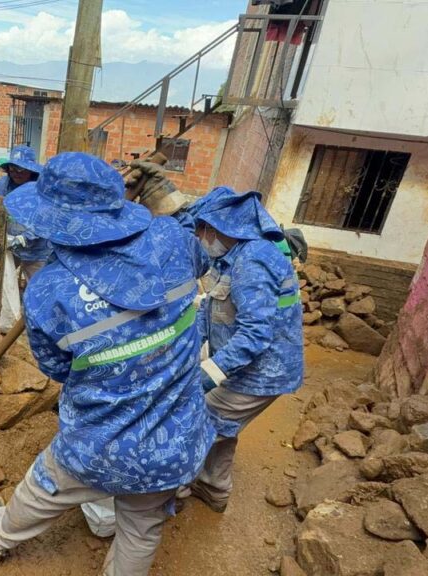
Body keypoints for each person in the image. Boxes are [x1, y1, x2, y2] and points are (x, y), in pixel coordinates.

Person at [0, 153, 227, 576]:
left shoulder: (48, 291)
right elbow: (192, 231)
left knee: (44, 489)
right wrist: (162, 194)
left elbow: (57, 369)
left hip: (97, 444)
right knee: (141, 530)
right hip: (172, 443)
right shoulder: (172, 241)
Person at [127, 160, 304, 513]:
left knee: (193, 422)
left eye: (204, 230)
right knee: (221, 425)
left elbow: (255, 334)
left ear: (221, 229)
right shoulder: (234, 252)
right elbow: (213, 303)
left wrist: (208, 374)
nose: (199, 236)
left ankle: (166, 495)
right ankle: (214, 489)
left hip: (260, 372)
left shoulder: (252, 262)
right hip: (248, 367)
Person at [0, 145, 49, 280]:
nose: (16, 173)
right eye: (12, 168)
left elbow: (44, 218)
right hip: (11, 243)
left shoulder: (42, 188)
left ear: (30, 169)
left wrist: (25, 238)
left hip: (37, 247)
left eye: (20, 169)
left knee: (37, 286)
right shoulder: (4, 184)